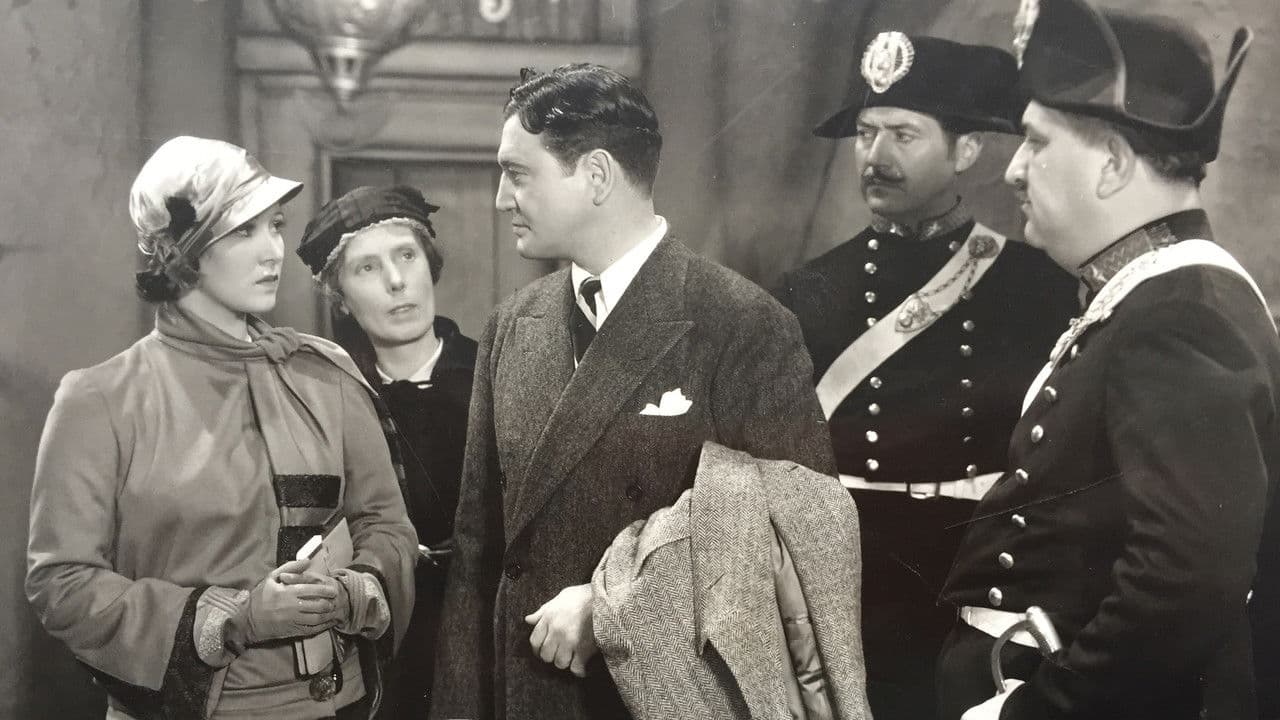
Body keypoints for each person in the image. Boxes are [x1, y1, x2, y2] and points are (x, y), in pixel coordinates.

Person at [429, 63, 837, 720]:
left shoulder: (742, 324)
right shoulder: (511, 325)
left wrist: (613, 604)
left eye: (518, 173)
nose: (502, 198)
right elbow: (477, 556)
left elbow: (795, 528)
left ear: (596, 175)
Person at [937, 1, 1280, 718]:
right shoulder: (1154, 296)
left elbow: (1187, 582)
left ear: (1114, 165)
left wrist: (1033, 712)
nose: (1015, 171)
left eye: (1036, 142)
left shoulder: (1180, 314)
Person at [25, 136, 418, 720]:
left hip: (338, 706)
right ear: (182, 252)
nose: (273, 251)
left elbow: (387, 526)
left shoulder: (325, 373)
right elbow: (63, 583)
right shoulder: (99, 400)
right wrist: (237, 617)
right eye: (243, 231)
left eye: (275, 226)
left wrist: (350, 591)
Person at [773, 32, 1077, 719]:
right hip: (848, 577)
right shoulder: (807, 290)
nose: (875, 156)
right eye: (865, 133)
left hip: (977, 576)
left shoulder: (1038, 287)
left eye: (903, 135)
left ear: (966, 152)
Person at [297, 185, 478, 719]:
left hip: (485, 629)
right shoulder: (326, 396)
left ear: (430, 266)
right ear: (340, 298)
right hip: (376, 642)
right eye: (368, 268)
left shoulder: (496, 371)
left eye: (406, 256)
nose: (397, 281)